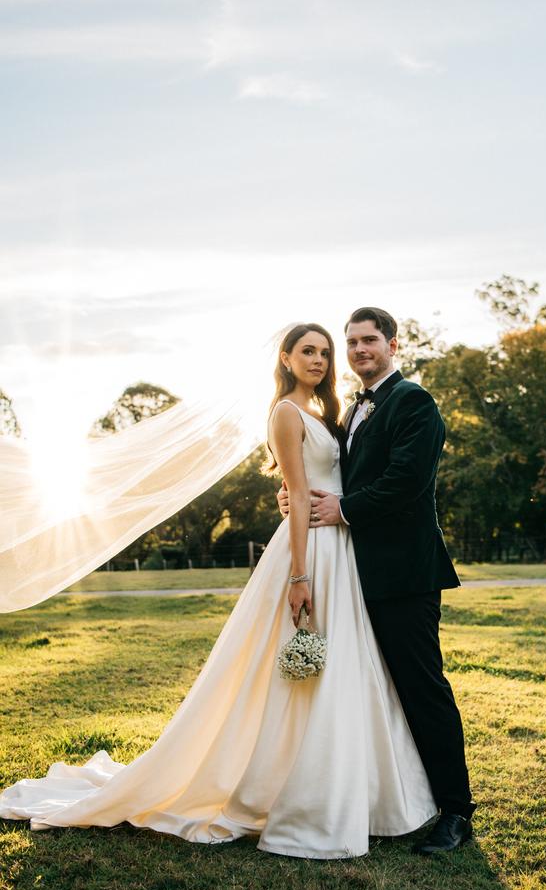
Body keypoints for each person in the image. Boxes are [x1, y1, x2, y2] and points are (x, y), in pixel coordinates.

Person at [0, 322, 436, 860]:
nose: (322, 360)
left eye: (327, 352)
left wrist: (335, 509)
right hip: (312, 552)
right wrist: (299, 576)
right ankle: (299, 794)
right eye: (310, 351)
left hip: (343, 548)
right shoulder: (284, 412)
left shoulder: (334, 414)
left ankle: (354, 790)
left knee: (348, 669)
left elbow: (346, 481)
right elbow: (298, 496)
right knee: (297, 675)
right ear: (286, 357)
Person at [279, 307, 475, 853]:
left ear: (393, 343)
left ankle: (456, 811)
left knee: (421, 687)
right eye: (352, 342)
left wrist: (341, 509)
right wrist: (296, 496)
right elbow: (329, 475)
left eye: (369, 340)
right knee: (373, 692)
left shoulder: (412, 401)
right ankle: (389, 798)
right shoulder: (351, 413)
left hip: (404, 574)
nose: (359, 350)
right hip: (353, 574)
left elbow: (406, 482)